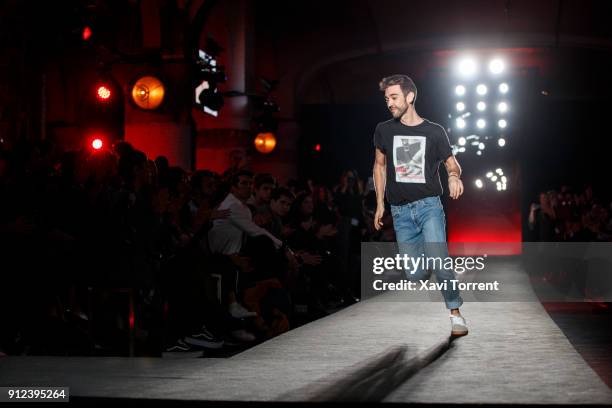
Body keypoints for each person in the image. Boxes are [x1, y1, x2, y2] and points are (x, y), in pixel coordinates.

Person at [372, 74, 468, 337]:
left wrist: (454, 176)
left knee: (439, 257)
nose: (389, 103)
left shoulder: (434, 131)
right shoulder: (384, 130)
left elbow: (451, 163)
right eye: (386, 99)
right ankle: (429, 267)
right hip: (400, 212)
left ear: (410, 96)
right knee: (414, 275)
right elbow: (379, 166)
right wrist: (380, 203)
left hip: (429, 207)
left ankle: (455, 314)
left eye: (394, 97)